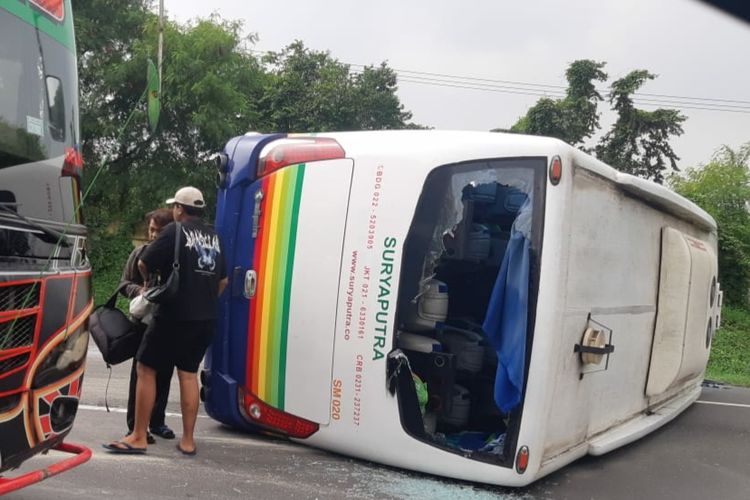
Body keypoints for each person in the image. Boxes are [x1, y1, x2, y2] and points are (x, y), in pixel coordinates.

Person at [104, 186, 227, 455]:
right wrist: (203, 298)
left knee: (146, 368)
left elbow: (144, 261)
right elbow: (224, 280)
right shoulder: (215, 237)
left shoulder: (175, 229)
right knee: (188, 375)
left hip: (173, 315)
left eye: (175, 207)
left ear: (180, 209)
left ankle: (138, 435)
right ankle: (188, 441)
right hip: (205, 319)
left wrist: (149, 283)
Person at [119, 208, 175, 444]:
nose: (154, 235)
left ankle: (157, 422)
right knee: (140, 375)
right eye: (151, 230)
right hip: (142, 323)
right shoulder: (139, 253)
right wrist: (138, 290)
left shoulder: (176, 258)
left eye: (159, 231)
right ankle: (135, 426)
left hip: (168, 321)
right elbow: (123, 284)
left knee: (165, 373)